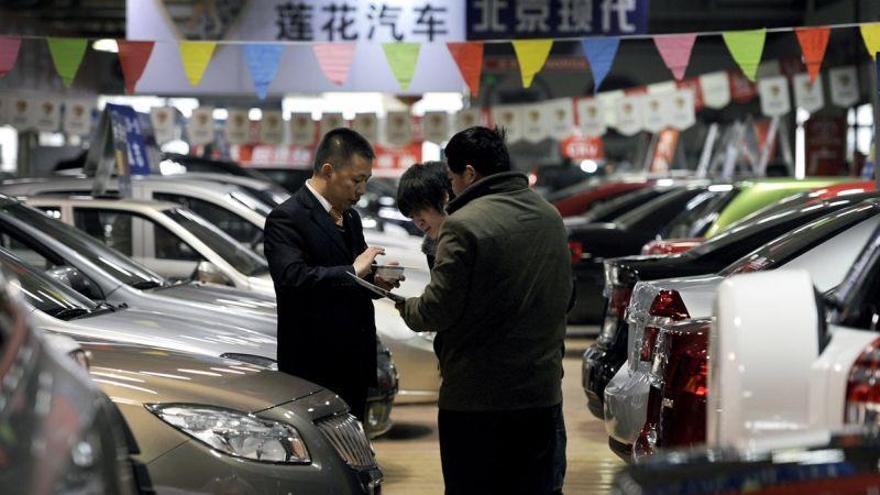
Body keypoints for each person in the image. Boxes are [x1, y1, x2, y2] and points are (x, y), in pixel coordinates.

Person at [397, 127, 572, 495]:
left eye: (451, 178)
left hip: (477, 400)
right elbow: (565, 296)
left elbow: (437, 310)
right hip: (542, 393)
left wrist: (402, 304)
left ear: (470, 174)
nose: (452, 188)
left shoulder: (463, 224)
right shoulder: (549, 215)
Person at [264, 127, 396, 421]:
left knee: (356, 443)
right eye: (356, 180)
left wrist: (376, 281)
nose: (361, 190)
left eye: (366, 181)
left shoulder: (350, 217)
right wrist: (354, 270)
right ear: (328, 170)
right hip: (314, 365)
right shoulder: (287, 218)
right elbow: (292, 279)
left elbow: (355, 280)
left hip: (354, 361)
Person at [395, 161, 453, 268]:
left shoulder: (473, 237)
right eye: (412, 217)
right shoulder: (432, 249)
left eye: (419, 211)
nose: (419, 223)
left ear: (444, 197)